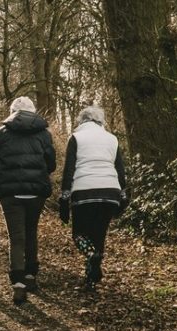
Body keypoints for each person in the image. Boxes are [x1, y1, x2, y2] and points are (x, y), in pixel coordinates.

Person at [0, 97, 55, 305]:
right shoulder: (44, 134)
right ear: (33, 112)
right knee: (31, 231)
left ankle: (18, 284)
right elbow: (50, 164)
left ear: (12, 112)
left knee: (16, 236)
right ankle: (30, 276)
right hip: (36, 190)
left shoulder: (1, 133)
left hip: (10, 191)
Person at [60, 106, 127, 291]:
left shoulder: (76, 138)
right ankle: (91, 277)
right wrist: (123, 194)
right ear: (100, 121)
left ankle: (91, 255)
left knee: (79, 234)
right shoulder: (112, 139)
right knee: (99, 235)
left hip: (84, 191)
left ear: (81, 121)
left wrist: (64, 197)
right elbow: (120, 170)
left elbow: (69, 170)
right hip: (110, 192)